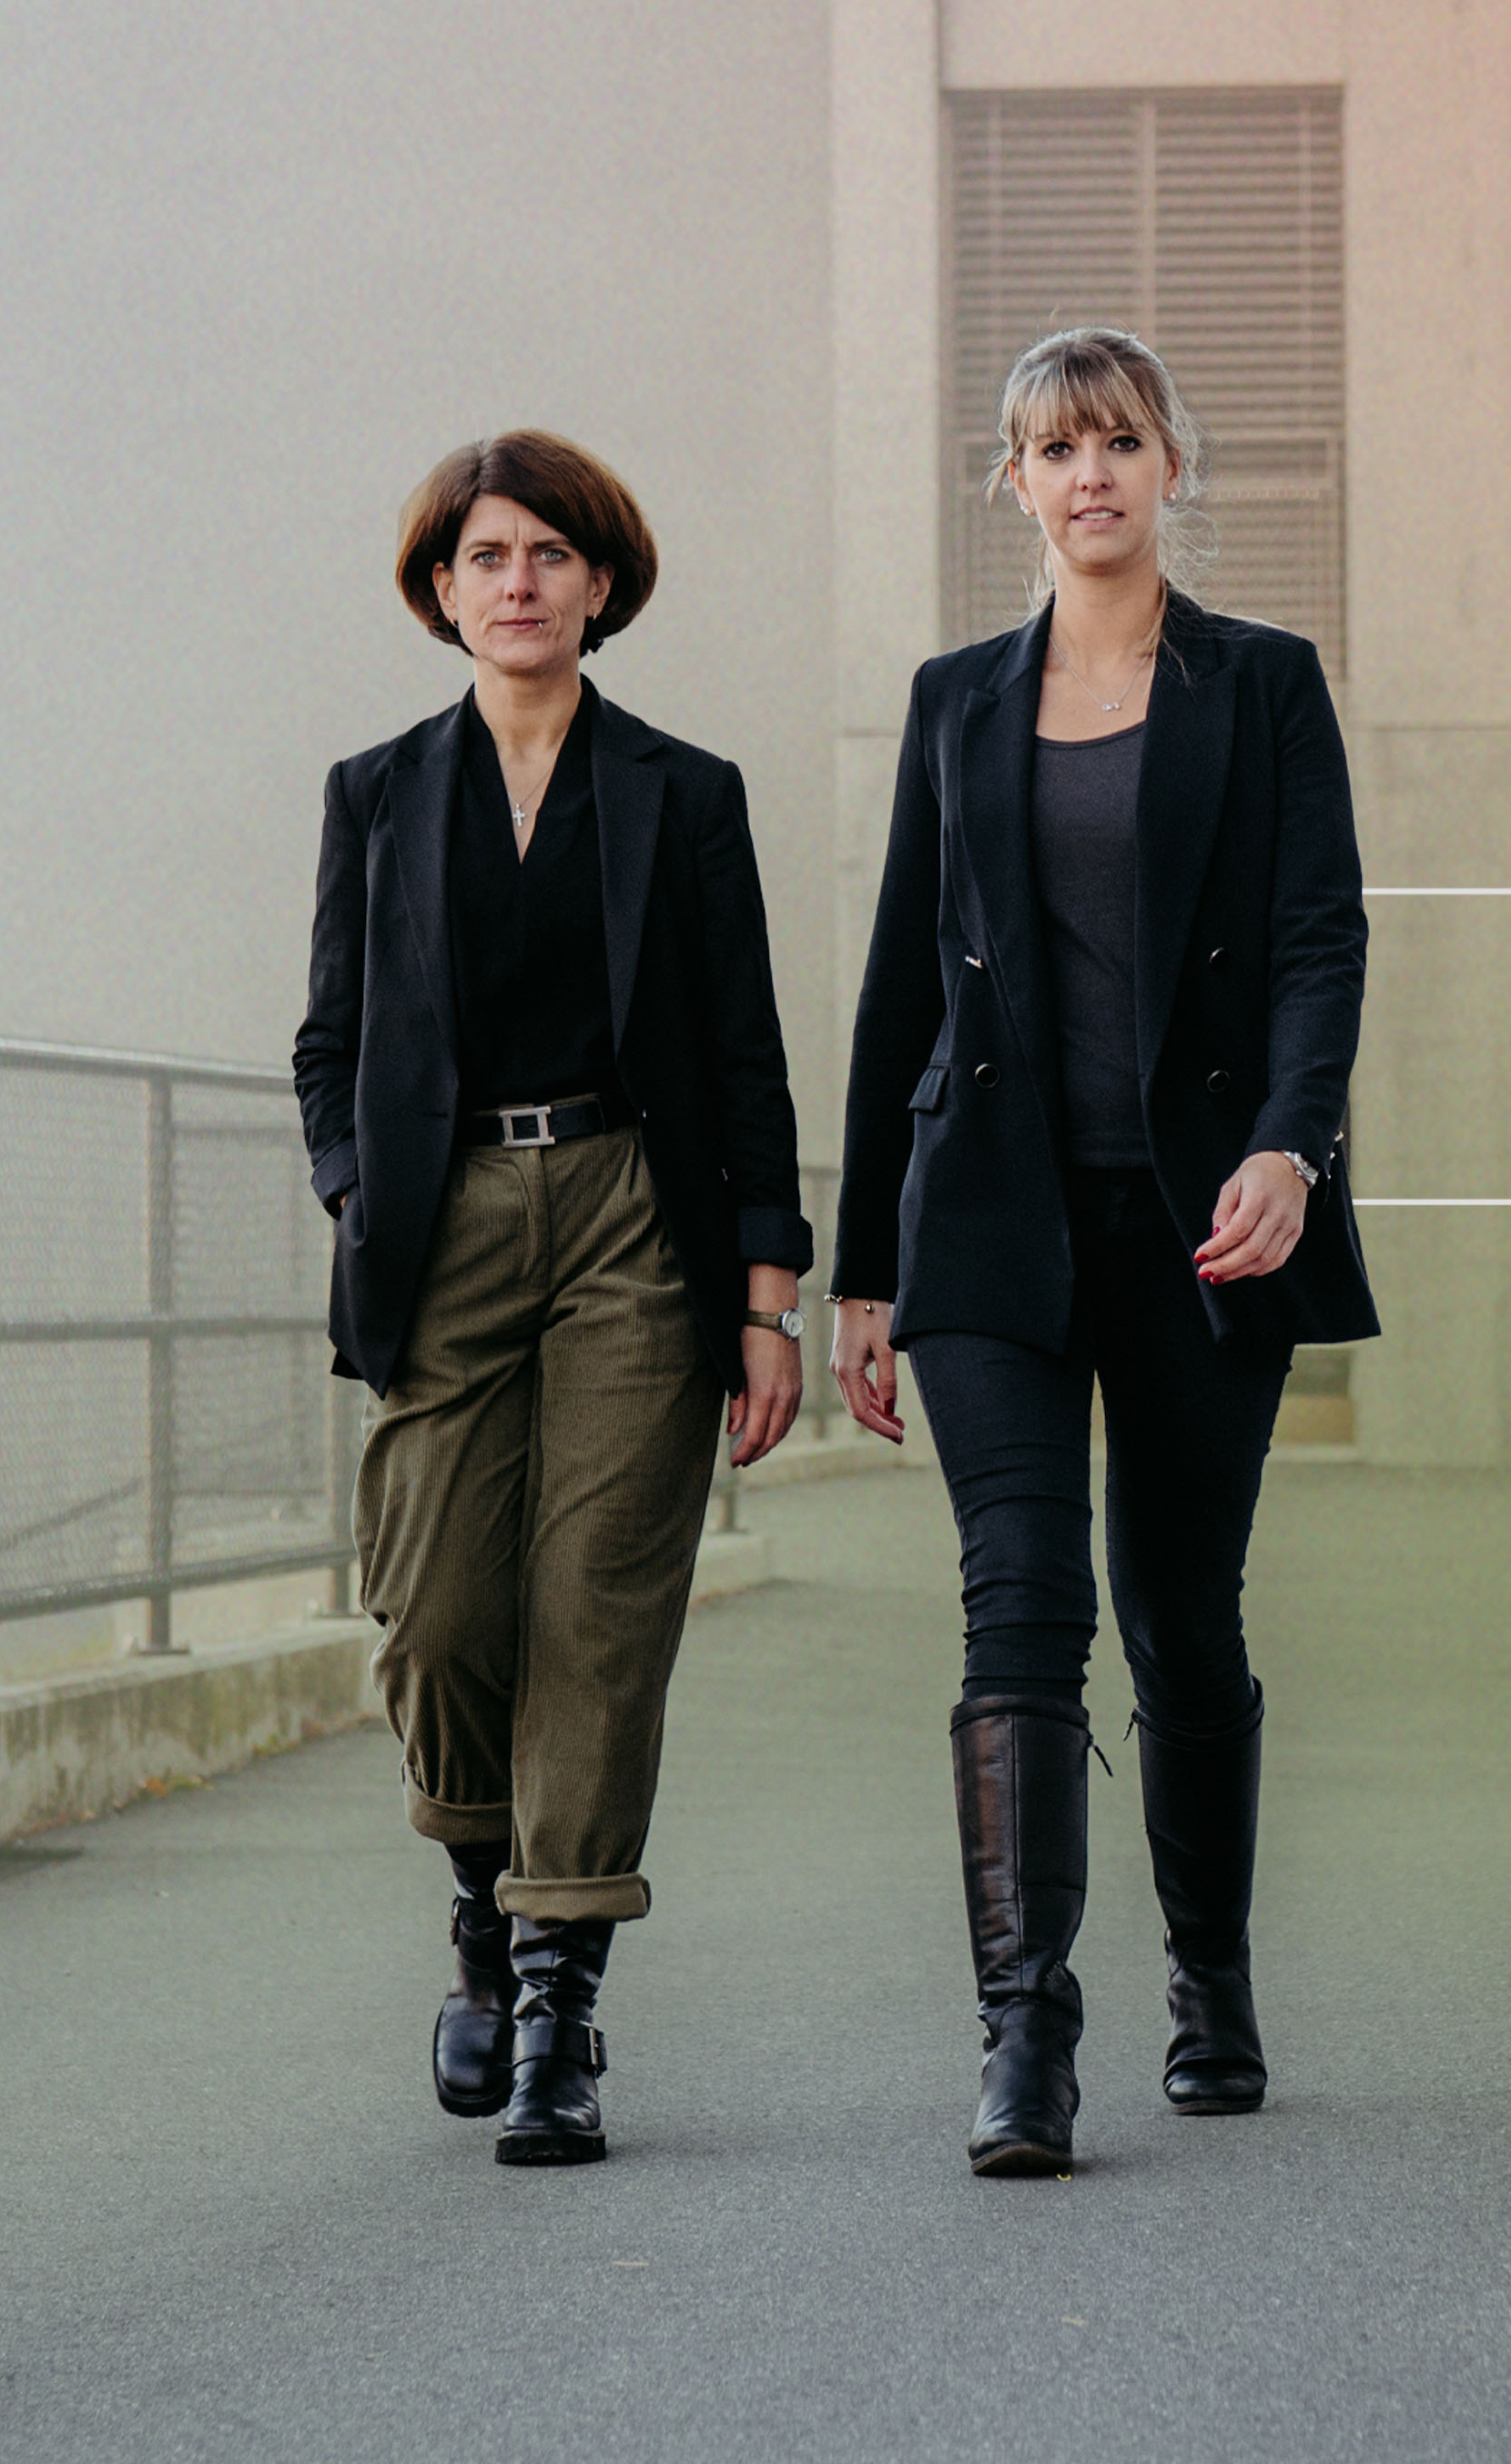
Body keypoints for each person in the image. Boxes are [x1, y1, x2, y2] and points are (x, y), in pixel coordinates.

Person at [828, 328, 1377, 2177]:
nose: (1089, 477)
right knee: (1020, 1603)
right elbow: (902, 978)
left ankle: (1209, 1979)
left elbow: (1318, 942)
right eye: (1053, 449)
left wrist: (1292, 1150)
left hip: (1202, 1227)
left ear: (1169, 467)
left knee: (1180, 1616)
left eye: (1120, 442)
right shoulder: (954, 703)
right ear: (1012, 485)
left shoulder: (1265, 688)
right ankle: (1022, 2034)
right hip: (986, 1216)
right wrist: (855, 1268)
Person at [292, 430, 811, 2168]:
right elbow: (325, 1047)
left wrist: (764, 1294)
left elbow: (743, 1051)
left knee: (596, 1605)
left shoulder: (683, 791)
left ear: (600, 581)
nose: (516, 583)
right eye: (484, 558)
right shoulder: (376, 793)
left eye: (546, 555)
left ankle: (555, 1995)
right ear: (441, 593)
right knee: (435, 1607)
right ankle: (476, 1896)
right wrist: (362, 1195)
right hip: (441, 1232)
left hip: (627, 1219)